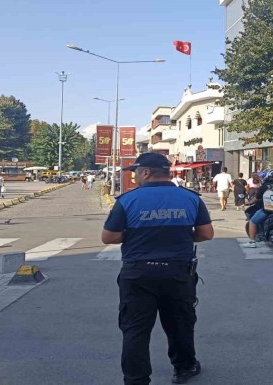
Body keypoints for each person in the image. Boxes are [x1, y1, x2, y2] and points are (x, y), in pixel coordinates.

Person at [101, 152, 215, 385]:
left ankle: (136, 379)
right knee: (180, 324)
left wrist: (134, 236)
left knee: (135, 330)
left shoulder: (127, 200)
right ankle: (184, 368)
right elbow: (206, 234)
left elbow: (109, 237)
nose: (134, 177)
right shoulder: (190, 198)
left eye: (135, 172)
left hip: (138, 274)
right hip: (178, 273)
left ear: (145, 172)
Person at [244, 169, 273, 248]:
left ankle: (252, 242)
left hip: (269, 210)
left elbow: (256, 198)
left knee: (252, 221)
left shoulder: (265, 186)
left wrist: (248, 203)